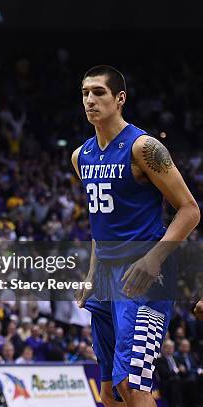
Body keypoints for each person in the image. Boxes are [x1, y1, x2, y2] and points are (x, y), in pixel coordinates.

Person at [71, 65, 200, 407]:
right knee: (110, 391)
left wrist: (153, 258)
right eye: (85, 93)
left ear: (119, 98)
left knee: (133, 383)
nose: (90, 100)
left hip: (145, 275)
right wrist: (89, 274)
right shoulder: (80, 156)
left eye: (99, 92)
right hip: (105, 277)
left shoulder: (144, 147)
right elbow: (100, 223)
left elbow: (189, 210)